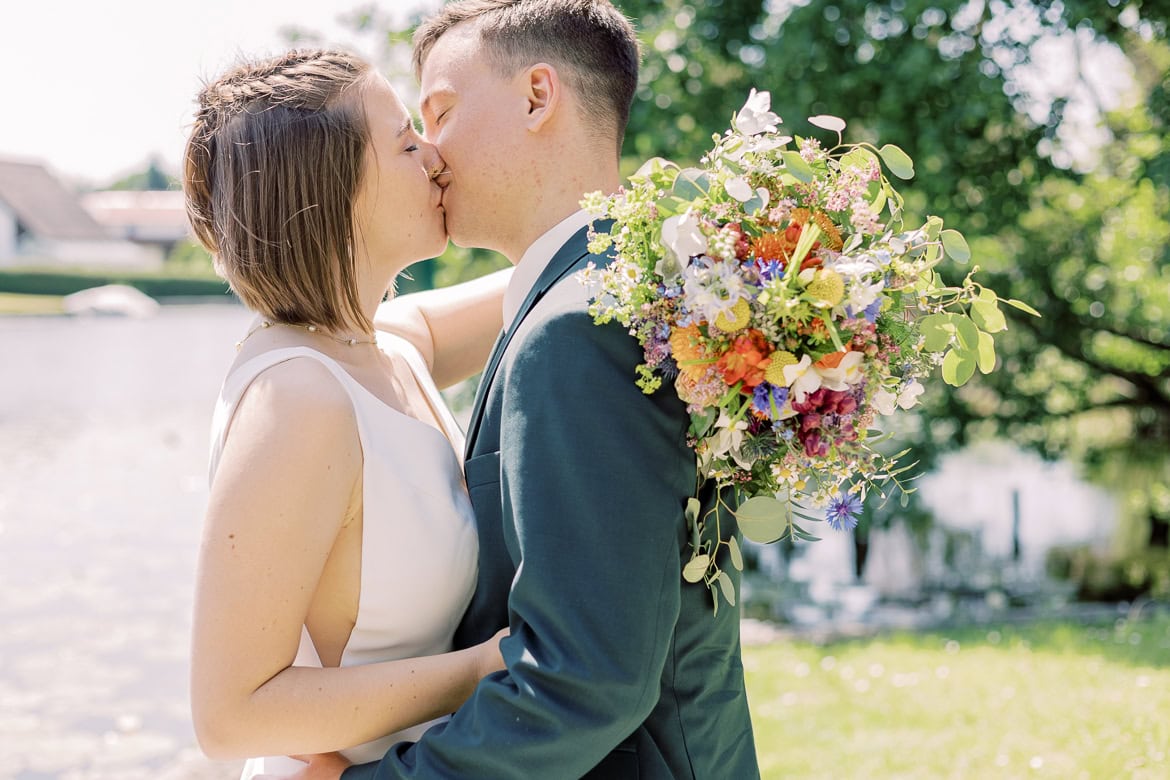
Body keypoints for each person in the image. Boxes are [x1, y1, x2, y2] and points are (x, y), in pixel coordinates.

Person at [303, 1, 760, 777]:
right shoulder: (626, 295)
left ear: (537, 97)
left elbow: (585, 679)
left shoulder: (580, 329)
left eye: (440, 112)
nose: (431, 154)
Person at [184, 49, 512, 778]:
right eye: (405, 142)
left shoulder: (382, 345)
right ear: (335, 190)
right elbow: (229, 714)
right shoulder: (299, 400)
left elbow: (534, 279)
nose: (436, 156)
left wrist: (642, 234)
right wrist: (486, 667)